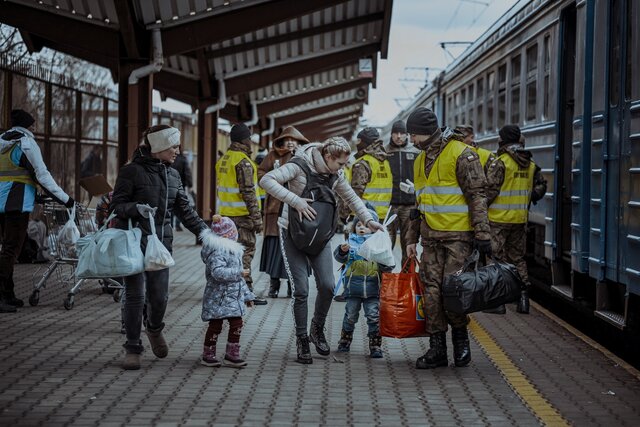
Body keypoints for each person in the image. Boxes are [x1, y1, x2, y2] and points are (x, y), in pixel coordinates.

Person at [260, 136, 385, 364]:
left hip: (321, 236)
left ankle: (316, 330)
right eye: (340, 163)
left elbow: (352, 198)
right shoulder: (298, 166)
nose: (343, 168)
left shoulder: (335, 175)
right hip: (292, 233)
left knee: (327, 286)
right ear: (328, 157)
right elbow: (267, 180)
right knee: (301, 290)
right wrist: (296, 201)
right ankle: (301, 340)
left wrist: (368, 220)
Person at [110, 124, 208, 370]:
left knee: (160, 296)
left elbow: (186, 211)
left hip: (160, 245)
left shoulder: (172, 175)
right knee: (135, 295)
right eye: (173, 146)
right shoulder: (130, 172)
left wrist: (208, 235)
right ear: (159, 146)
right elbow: (117, 205)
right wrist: (136, 209)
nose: (178, 150)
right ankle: (133, 347)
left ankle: (154, 329)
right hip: (133, 242)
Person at [405, 107, 491, 369]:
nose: (410, 140)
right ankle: (437, 349)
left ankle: (461, 343)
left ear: (424, 132)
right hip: (430, 239)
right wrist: (411, 238)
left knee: (453, 292)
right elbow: (418, 203)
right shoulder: (419, 160)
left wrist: (483, 234)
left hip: (458, 238)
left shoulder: (463, 155)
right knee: (430, 294)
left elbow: (477, 195)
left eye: (412, 134)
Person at [0, 109, 74, 313]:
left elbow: (14, 173)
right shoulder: (26, 143)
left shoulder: (1, 141)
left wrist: (36, 196)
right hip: (16, 203)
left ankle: (8, 294)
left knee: (7, 248)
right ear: (28, 125)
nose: (34, 128)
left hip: (2, 202)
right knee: (11, 249)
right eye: (33, 124)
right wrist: (66, 199)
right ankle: (1, 296)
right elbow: (41, 174)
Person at [486, 125, 547, 314]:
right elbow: (542, 185)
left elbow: (490, 191)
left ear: (502, 140)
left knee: (496, 259)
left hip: (498, 219)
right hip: (520, 220)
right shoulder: (530, 163)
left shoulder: (501, 162)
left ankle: (498, 302)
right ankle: (523, 298)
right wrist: (529, 198)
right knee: (518, 258)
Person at [215, 123, 267, 306]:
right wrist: (257, 219)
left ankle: (227, 291)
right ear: (245, 139)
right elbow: (248, 193)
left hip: (225, 216)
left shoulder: (224, 160)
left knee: (228, 255)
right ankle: (246, 291)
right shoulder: (243, 161)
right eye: (249, 138)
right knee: (245, 252)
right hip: (242, 217)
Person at [258, 126, 309, 298]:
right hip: (275, 208)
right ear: (281, 141)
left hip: (296, 208)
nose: (289, 143)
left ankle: (291, 286)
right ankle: (273, 286)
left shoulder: (303, 157)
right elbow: (261, 173)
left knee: (293, 248)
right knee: (275, 247)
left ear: (299, 142)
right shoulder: (272, 156)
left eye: (293, 140)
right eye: (286, 140)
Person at [334, 208, 393, 358]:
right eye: (358, 225)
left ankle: (375, 345)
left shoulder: (379, 244)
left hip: (373, 290)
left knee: (373, 317)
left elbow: (388, 265)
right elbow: (340, 258)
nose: (361, 227)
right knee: (350, 316)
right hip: (353, 289)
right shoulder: (350, 241)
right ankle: (344, 341)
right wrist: (342, 251)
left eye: (365, 225)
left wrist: (386, 264)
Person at [199, 215, 255, 368]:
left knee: (237, 323)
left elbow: (239, 281)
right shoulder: (217, 252)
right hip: (218, 297)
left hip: (233, 298)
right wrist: (238, 272)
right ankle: (208, 353)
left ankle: (232, 353)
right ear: (229, 234)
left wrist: (247, 296)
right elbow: (217, 272)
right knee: (215, 325)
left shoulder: (234, 251)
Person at [384, 119, 419, 270]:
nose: (399, 136)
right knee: (385, 245)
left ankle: (406, 283)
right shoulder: (384, 152)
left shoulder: (416, 152)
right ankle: (385, 282)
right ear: (391, 135)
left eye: (402, 133)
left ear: (407, 135)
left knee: (408, 245)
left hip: (409, 205)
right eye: (395, 133)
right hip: (389, 206)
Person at [344, 127, 393, 222]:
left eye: (359, 140)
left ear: (365, 142)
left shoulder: (363, 163)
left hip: (363, 216)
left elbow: (355, 193)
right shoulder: (385, 161)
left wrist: (344, 213)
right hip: (382, 215)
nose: (356, 143)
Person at [170, 151, 193, 231]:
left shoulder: (168, 158)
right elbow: (187, 173)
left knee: (170, 204)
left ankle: (170, 224)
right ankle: (178, 225)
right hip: (180, 186)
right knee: (180, 204)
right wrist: (190, 185)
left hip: (169, 185)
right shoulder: (182, 159)